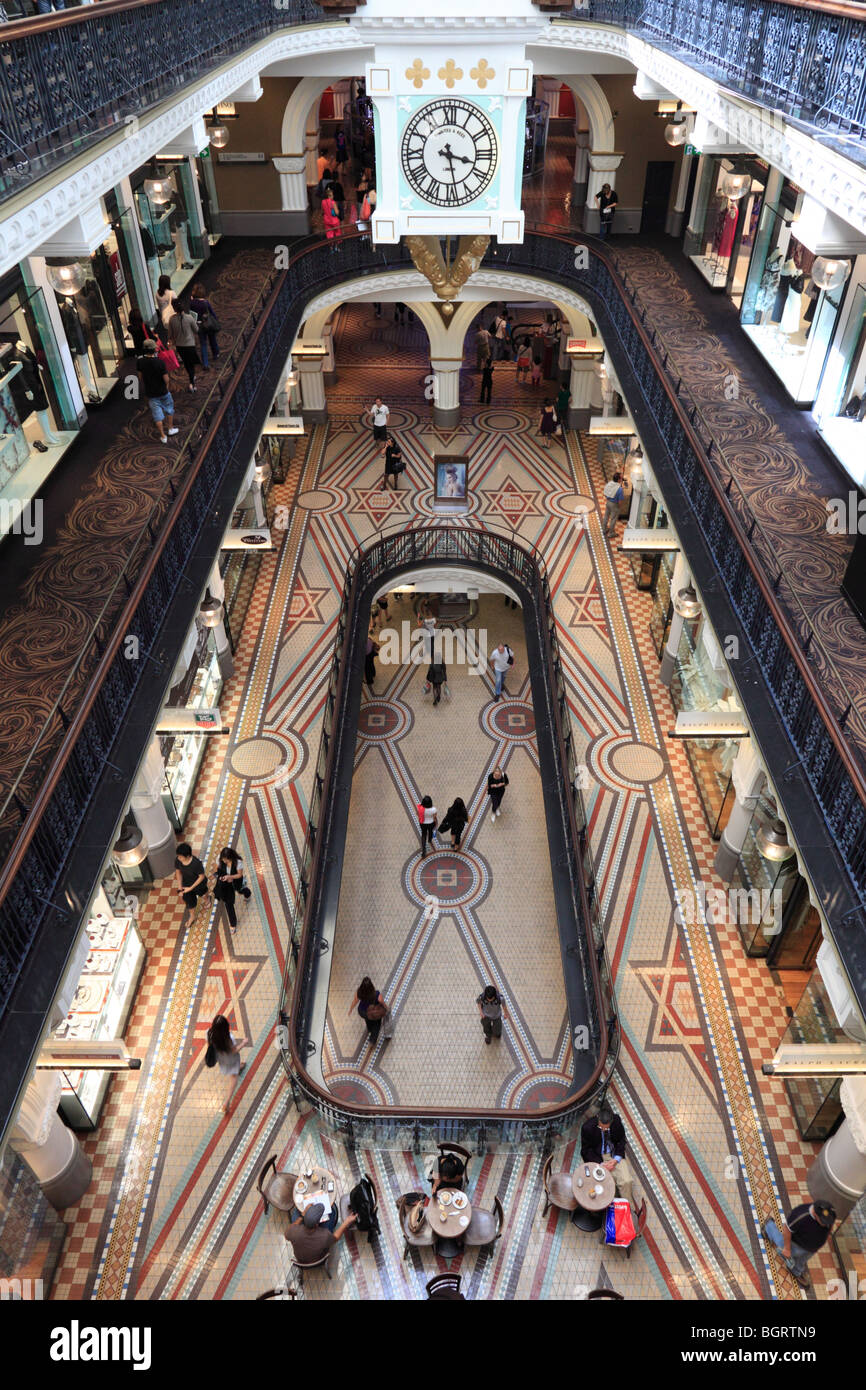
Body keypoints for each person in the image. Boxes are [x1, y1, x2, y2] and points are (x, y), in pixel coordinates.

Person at [762, 1201, 836, 1289]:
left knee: (803, 1259)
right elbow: (787, 1229)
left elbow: (830, 1226)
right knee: (780, 1243)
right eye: (823, 1222)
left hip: (811, 1248)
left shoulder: (830, 1214)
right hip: (796, 1243)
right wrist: (787, 1249)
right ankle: (769, 1226)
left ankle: (796, 1271)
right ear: (815, 1214)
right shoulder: (800, 1215)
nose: (825, 1224)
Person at [580, 1106, 634, 1207]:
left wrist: (616, 1159)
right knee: (605, 1185)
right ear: (597, 1118)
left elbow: (621, 1140)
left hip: (614, 1154)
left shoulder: (616, 1121)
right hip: (598, 1157)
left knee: (627, 1181)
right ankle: (609, 1207)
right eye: (601, 1127)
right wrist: (601, 1164)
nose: (604, 1129)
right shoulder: (587, 1127)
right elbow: (585, 1151)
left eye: (607, 1128)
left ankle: (627, 1208)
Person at [285, 1203, 357, 1266]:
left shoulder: (293, 1231)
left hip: (301, 1260)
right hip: (318, 1260)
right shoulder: (324, 1236)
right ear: (317, 1224)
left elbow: (287, 1234)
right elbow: (335, 1238)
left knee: (295, 1213)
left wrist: (302, 1215)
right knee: (332, 1213)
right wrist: (346, 1222)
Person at [137, 339, 178, 446]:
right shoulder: (160, 362)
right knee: (169, 409)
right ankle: (170, 428)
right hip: (163, 391)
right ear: (154, 349)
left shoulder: (140, 362)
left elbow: (140, 377)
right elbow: (166, 379)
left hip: (151, 393)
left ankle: (163, 436)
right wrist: (167, 387)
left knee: (157, 415)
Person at [208, 1013, 249, 1114]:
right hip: (230, 1059)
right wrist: (243, 1043)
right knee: (233, 1078)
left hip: (221, 1059)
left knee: (235, 1068)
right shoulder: (229, 1038)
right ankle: (226, 1102)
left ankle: (239, 1067)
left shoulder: (209, 1034)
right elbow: (234, 1051)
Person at [213, 846, 251, 931]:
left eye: (226, 860)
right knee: (228, 904)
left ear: (231, 858)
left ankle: (247, 893)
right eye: (223, 859)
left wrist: (230, 877)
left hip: (235, 881)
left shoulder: (238, 862)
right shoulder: (220, 858)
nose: (224, 861)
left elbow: (239, 875)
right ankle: (233, 923)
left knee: (240, 890)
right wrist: (220, 877)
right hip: (226, 884)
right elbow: (218, 869)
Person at [167, 298, 200, 391]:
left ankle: (192, 379)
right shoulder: (189, 318)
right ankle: (192, 383)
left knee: (186, 363)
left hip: (180, 346)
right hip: (190, 345)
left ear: (174, 308)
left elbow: (170, 334)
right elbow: (196, 330)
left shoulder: (172, 320)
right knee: (191, 364)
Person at [349, 976, 389, 1046]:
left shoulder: (359, 992)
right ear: (371, 985)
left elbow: (355, 1001)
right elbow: (382, 1002)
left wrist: (350, 1009)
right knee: (377, 1025)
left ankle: (369, 1029)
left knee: (368, 1020)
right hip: (374, 1013)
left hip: (362, 1012)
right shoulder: (376, 994)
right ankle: (372, 1040)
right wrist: (387, 1008)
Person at [189, 283, 220, 370]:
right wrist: (216, 321)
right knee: (212, 339)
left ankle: (205, 363)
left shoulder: (192, 303)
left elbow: (191, 313)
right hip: (208, 324)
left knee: (203, 344)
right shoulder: (206, 303)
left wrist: (192, 300)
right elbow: (212, 313)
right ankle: (216, 354)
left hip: (199, 325)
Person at [175, 842, 209, 912]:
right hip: (186, 883)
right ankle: (192, 916)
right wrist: (180, 887)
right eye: (178, 856)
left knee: (203, 894)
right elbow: (178, 872)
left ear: (187, 856)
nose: (178, 858)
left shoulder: (196, 864)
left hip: (199, 884)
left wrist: (191, 888)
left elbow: (201, 877)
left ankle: (207, 900)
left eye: (180, 857)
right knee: (188, 900)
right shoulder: (178, 860)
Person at [603, 471, 625, 539]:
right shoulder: (619, 489)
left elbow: (605, 492)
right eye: (621, 478)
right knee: (613, 519)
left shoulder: (609, 484)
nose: (622, 479)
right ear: (618, 480)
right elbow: (620, 501)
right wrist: (619, 507)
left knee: (606, 516)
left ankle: (604, 529)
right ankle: (611, 533)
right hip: (614, 505)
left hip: (608, 502)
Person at [364, 629, 379, 694]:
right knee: (371, 664)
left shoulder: (363, 644)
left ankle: (370, 681)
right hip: (371, 654)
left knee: (367, 670)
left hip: (366, 657)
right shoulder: (368, 640)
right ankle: (373, 673)